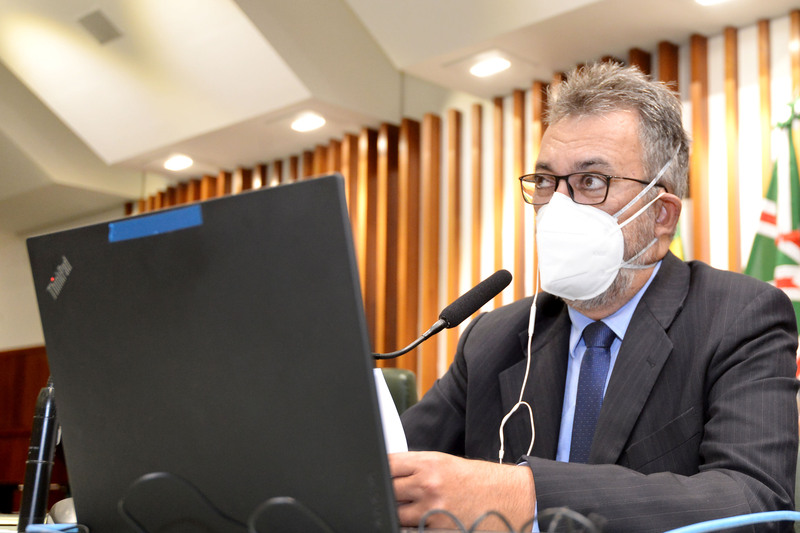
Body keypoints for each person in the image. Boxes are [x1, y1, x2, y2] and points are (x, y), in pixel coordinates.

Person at [390, 62, 800, 532]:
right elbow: (387, 469)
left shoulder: (739, 317)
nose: (557, 207)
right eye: (546, 181)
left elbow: (756, 503)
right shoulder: (493, 337)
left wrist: (527, 495)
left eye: (590, 181)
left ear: (661, 215)